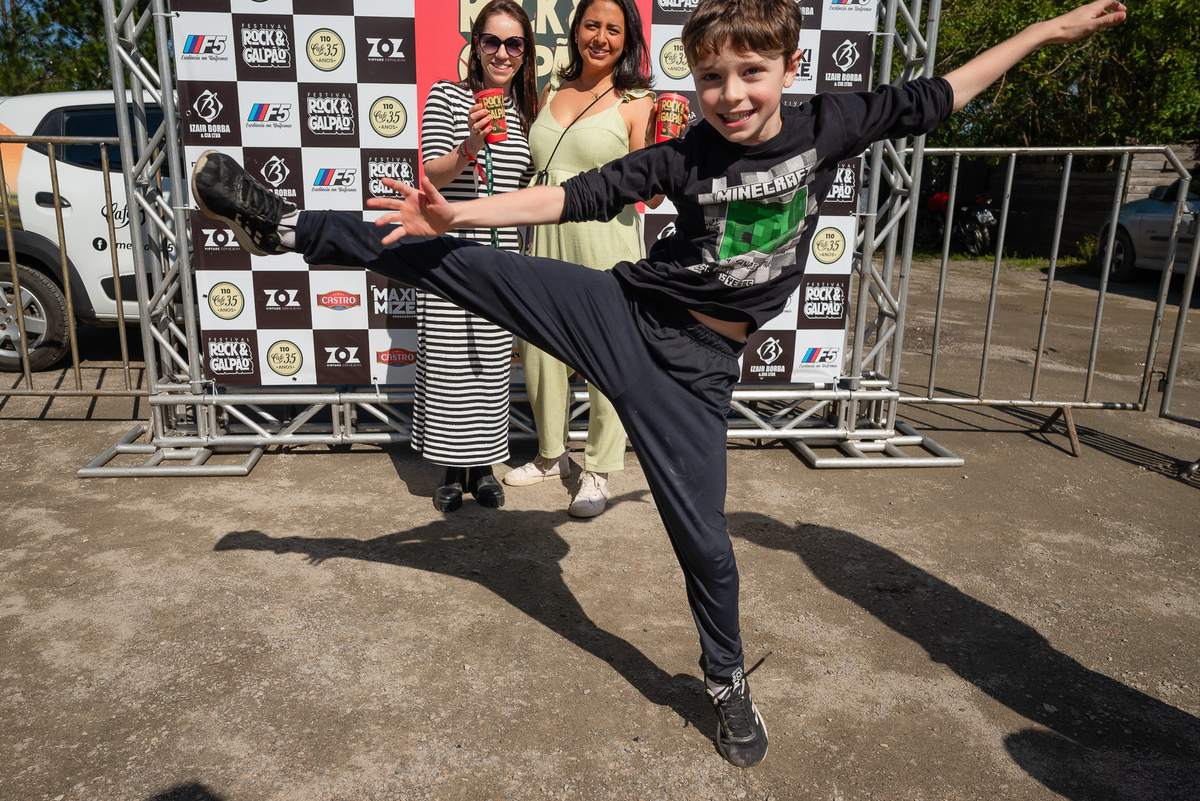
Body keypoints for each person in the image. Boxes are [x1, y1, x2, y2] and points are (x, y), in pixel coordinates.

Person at [190, 0, 1126, 768]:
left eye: (750, 74)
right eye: (712, 78)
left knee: (708, 549)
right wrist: (461, 205)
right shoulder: (684, 156)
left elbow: (943, 91)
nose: (731, 94)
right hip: (624, 314)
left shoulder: (829, 125)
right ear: (695, 81)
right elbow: (577, 197)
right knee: (456, 261)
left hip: (698, 376)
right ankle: (286, 230)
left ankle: (725, 680)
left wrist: (1043, 33)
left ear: (787, 69)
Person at [502, 0, 656, 519]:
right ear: (576, 30)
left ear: (627, 38)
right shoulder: (549, 90)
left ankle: (598, 469)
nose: (601, 37)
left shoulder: (638, 101)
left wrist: (668, 149)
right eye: (592, 25)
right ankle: (552, 457)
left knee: (605, 358)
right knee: (541, 354)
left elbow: (652, 197)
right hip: (545, 242)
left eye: (614, 29)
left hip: (605, 247)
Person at [412, 0, 537, 513]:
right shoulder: (447, 95)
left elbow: (531, 188)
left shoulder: (531, 115)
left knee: (488, 366)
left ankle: (483, 467)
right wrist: (468, 145)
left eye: (513, 44)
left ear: (526, 53)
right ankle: (450, 470)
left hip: (502, 254)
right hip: (448, 252)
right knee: (447, 364)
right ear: (475, 45)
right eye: (492, 41)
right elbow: (429, 177)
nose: (502, 53)